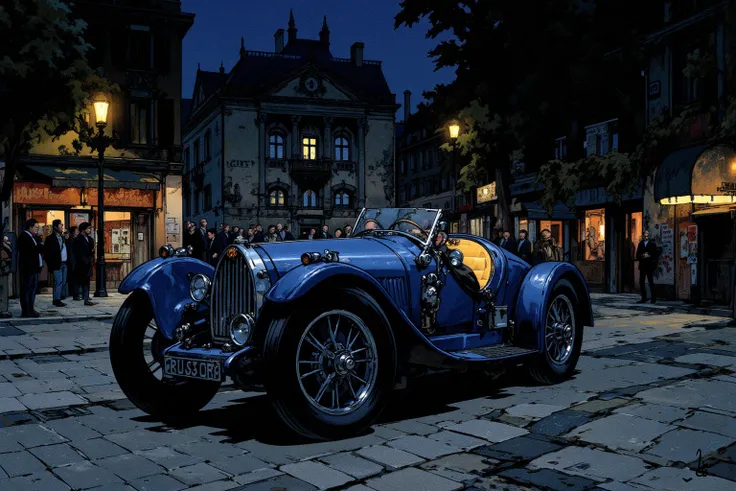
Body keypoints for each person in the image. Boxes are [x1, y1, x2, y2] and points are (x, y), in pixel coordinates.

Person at [18, 219, 43, 318]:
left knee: (33, 289)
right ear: (30, 227)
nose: (37, 229)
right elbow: (29, 252)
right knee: (27, 289)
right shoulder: (24, 237)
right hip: (28, 269)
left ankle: (31, 309)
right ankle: (26, 310)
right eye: (36, 227)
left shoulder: (33, 237)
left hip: (34, 268)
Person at [43, 219, 68, 307]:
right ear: (55, 227)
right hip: (56, 263)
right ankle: (57, 299)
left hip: (64, 262)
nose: (62, 227)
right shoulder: (50, 238)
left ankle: (58, 297)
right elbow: (46, 253)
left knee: (63, 281)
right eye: (60, 225)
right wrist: (50, 264)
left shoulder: (62, 237)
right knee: (58, 281)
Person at [73, 222, 96, 306]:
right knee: (81, 281)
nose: (90, 230)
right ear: (83, 229)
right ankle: (78, 295)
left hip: (88, 262)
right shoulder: (78, 239)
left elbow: (91, 249)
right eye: (88, 228)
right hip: (81, 263)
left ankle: (86, 298)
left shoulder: (89, 239)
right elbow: (77, 252)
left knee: (87, 281)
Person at [636, 230, 659, 304]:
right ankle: (644, 297)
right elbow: (637, 255)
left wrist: (649, 256)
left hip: (649, 265)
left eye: (647, 235)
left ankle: (653, 298)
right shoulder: (640, 244)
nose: (646, 236)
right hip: (642, 265)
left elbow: (656, 255)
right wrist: (642, 255)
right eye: (644, 235)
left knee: (650, 282)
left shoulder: (652, 244)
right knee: (641, 282)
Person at [66, 226, 79, 300]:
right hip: (73, 263)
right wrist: (72, 263)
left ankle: (75, 293)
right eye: (76, 230)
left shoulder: (75, 240)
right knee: (74, 279)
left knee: (75, 279)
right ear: (73, 232)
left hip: (75, 262)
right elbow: (71, 253)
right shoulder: (70, 241)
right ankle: (74, 294)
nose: (77, 232)